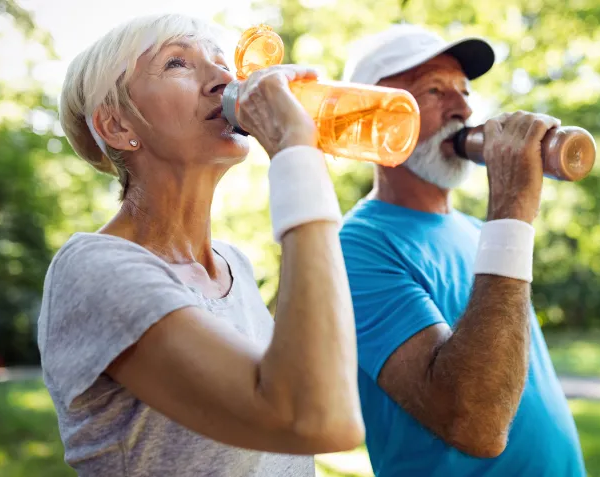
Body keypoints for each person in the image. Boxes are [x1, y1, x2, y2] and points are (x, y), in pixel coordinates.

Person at [38, 14, 364, 477]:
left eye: (221, 62)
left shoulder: (235, 266)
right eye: (177, 63)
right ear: (114, 126)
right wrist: (297, 155)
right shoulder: (94, 269)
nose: (225, 80)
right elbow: (318, 417)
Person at [339, 24, 586, 476]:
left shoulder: (481, 232)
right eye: (435, 90)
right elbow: (476, 424)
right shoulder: (354, 248)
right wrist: (512, 209)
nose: (465, 108)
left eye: (465, 90)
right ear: (371, 120)